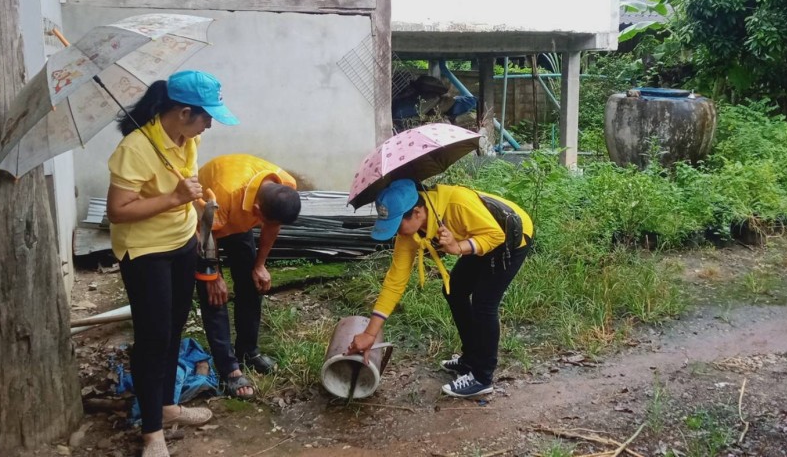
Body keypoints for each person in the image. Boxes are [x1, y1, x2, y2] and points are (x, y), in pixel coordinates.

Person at [106, 70, 238, 457]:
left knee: (175, 326)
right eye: (206, 116)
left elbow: (186, 192)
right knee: (152, 337)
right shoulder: (135, 148)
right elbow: (117, 210)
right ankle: (152, 433)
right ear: (183, 112)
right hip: (146, 253)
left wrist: (200, 215)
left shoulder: (185, 140)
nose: (210, 124)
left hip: (181, 244)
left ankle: (165, 406)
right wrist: (175, 198)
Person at [347, 179, 534, 397]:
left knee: (484, 304)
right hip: (476, 238)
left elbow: (495, 235)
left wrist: (458, 247)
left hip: (510, 236)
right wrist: (370, 333)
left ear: (417, 212)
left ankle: (482, 377)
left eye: (397, 224)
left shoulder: (457, 204)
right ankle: (471, 359)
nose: (397, 232)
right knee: (454, 291)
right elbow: (394, 282)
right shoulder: (409, 234)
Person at [195, 154, 302, 398]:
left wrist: (260, 265)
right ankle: (229, 369)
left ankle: (248, 350)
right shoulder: (226, 193)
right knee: (214, 295)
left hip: (235, 220)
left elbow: (272, 225)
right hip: (203, 223)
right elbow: (201, 231)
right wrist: (212, 274)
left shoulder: (286, 186)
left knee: (251, 283)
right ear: (256, 211)